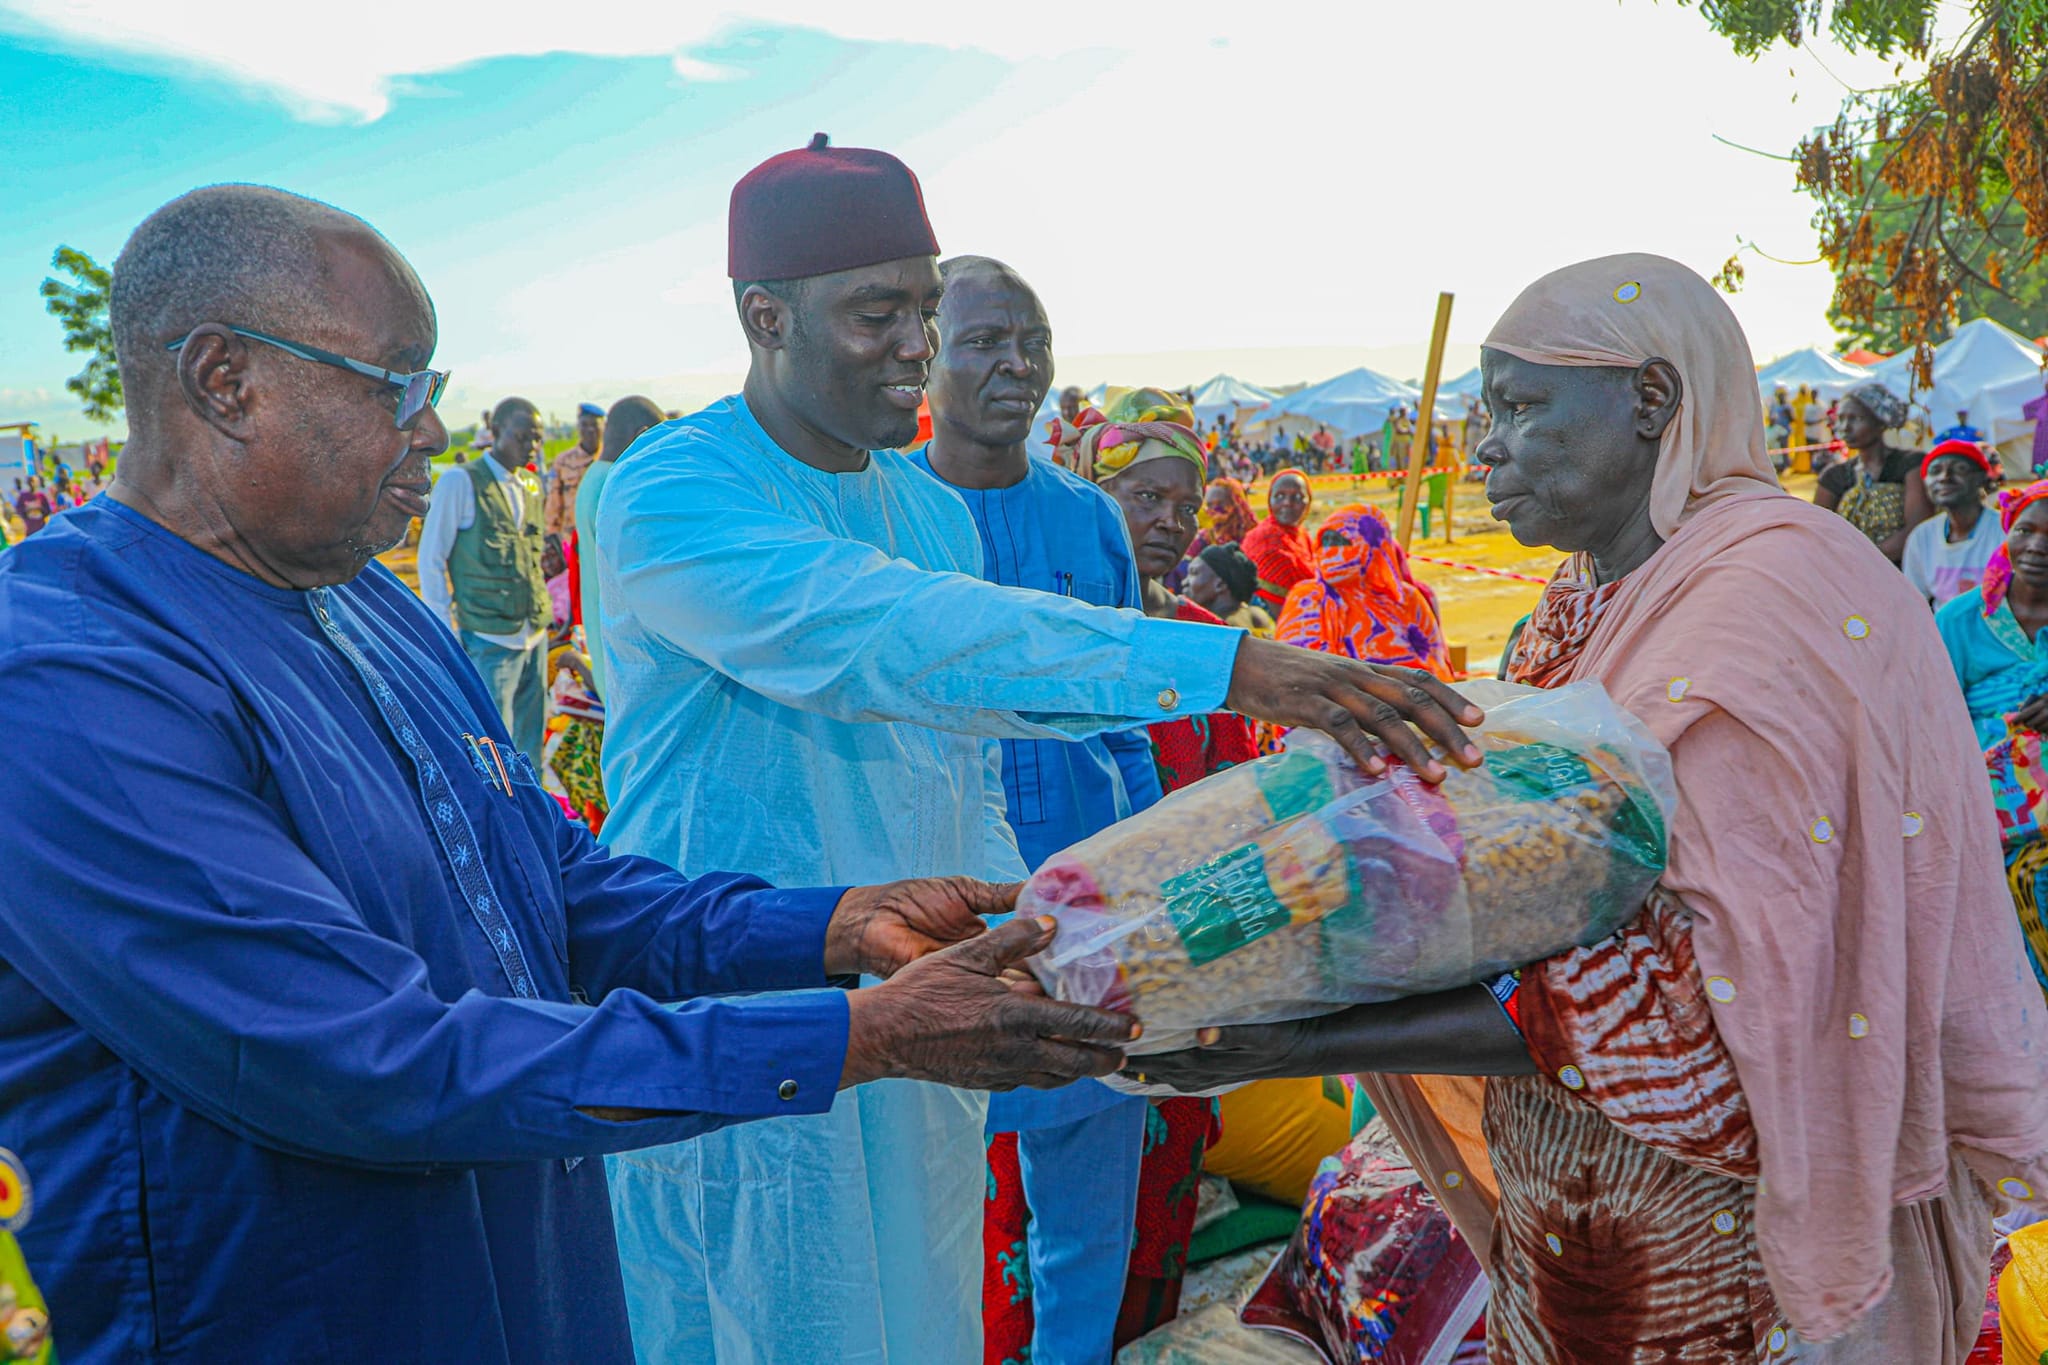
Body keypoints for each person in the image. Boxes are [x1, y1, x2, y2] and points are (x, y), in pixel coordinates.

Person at [0, 182, 1146, 1365]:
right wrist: (861, 1038)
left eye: (429, 388)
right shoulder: (70, 680)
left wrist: (837, 929)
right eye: (395, 381)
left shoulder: (358, 600)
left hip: (523, 1283)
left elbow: (549, 886)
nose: (429, 430)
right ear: (221, 380)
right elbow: (361, 1061)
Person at [591, 136, 1481, 1365]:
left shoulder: (926, 510)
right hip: (746, 982)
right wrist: (1233, 664)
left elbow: (961, 749)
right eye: (875, 312)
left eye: (921, 303)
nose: (915, 342)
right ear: (764, 318)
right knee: (757, 1305)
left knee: (922, 1301)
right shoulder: (670, 491)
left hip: (915, 983)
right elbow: (887, 638)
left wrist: (1044, 949)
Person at [1135, 254, 2048, 1362]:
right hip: (1572, 1214)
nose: (1485, 449)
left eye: (1519, 408)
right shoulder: (1585, 596)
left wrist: (1291, 1037)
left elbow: (1697, 999)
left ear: (1651, 400)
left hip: (1712, 1237)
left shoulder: (1769, 596)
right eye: (1486, 411)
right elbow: (1509, 875)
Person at [910, 255, 1163, 1365]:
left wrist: (1141, 886)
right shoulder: (886, 519)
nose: (1017, 365)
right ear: (924, 354)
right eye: (983, 341)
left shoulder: (1089, 522)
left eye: (1036, 342)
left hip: (1081, 907)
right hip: (934, 911)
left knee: (1085, 1198)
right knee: (931, 1200)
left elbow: (1122, 717)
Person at [1068, 387, 1258, 1343]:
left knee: (1159, 1214)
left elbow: (1252, 822)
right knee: (1041, 1232)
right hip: (1061, 979)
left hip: (1181, 985)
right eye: (1145, 497)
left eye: (1185, 506)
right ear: (1093, 493)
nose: (1170, 523)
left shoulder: (1209, 648)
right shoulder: (1050, 636)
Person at [1936, 480, 2048, 998]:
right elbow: (1929, 717)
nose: (2037, 547)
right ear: (2007, 533)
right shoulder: (1960, 621)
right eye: (2025, 530)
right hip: (1983, 803)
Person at [418, 396, 553, 768]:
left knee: (530, 751)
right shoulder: (461, 483)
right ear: (495, 432)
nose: (532, 446)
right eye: (523, 436)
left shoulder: (530, 484)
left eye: (538, 438)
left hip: (534, 633)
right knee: (495, 754)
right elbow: (430, 559)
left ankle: (536, 822)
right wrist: (447, 634)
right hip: (490, 637)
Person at [1274, 503, 1453, 678]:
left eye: (1340, 542)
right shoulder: (1306, 598)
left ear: (1369, 545)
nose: (1328, 550)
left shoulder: (1405, 599)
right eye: (1324, 542)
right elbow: (1293, 673)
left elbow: (1434, 665)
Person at [574, 395, 664, 701]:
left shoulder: (596, 477)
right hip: (625, 660)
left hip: (610, 656)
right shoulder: (613, 484)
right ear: (640, 436)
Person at [1815, 379, 1932, 563]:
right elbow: (1820, 535)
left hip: (1903, 568)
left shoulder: (1910, 464)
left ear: (1880, 422)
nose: (1845, 427)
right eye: (1842, 419)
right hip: (1847, 569)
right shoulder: (1833, 476)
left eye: (1856, 419)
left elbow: (1917, 527)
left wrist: (1869, 561)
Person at [1904, 438, 2003, 607]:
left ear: (1981, 478)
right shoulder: (1922, 537)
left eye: (1959, 469)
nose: (1945, 477)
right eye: (1935, 471)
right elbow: (1913, 600)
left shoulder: (2004, 530)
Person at [1240, 466, 1315, 614]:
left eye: (1298, 497)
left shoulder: (1303, 537)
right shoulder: (1262, 539)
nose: (1287, 502)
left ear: (1308, 502)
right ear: (1269, 500)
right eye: (1280, 496)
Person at [1185, 542, 1275, 635]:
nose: (1184, 582)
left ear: (1220, 585)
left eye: (1194, 573)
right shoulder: (1258, 613)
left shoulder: (1222, 629)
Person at [546, 401, 604, 539]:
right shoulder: (564, 461)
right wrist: (551, 532)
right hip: (572, 536)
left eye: (595, 425)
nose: (590, 430)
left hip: (603, 535)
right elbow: (554, 499)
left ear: (604, 427)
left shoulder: (611, 459)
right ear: (578, 428)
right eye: (585, 425)